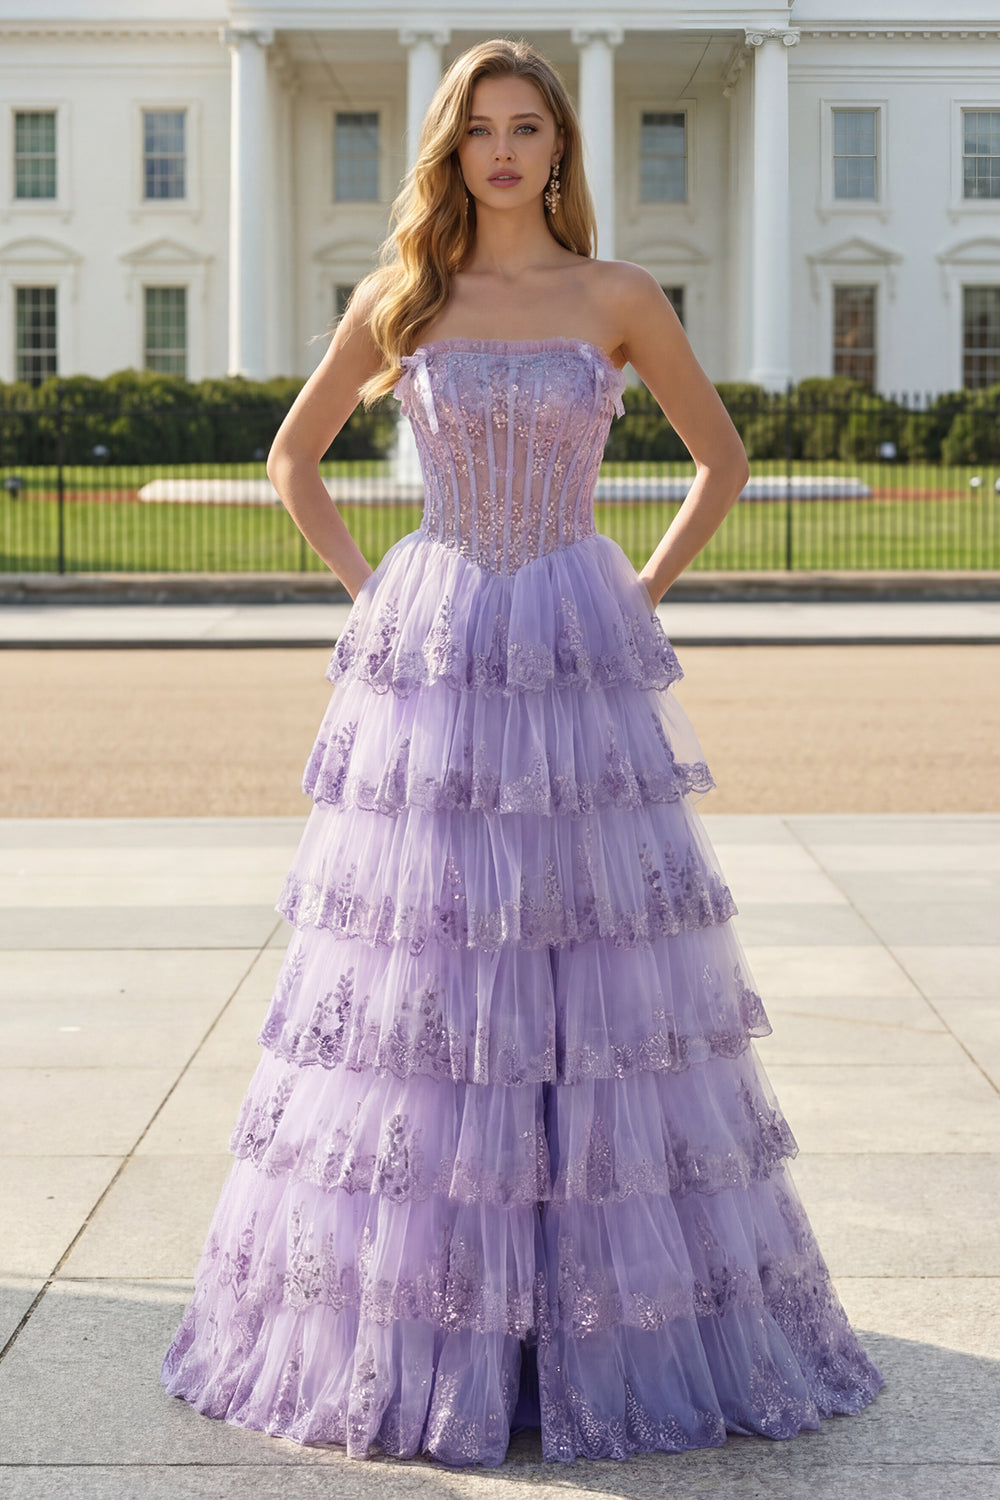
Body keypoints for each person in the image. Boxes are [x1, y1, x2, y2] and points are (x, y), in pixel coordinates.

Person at [162, 37, 883, 1466]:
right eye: (481, 129)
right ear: (453, 148)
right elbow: (293, 458)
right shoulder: (405, 296)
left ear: (561, 148)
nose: (503, 151)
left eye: (527, 128)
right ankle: (442, 1333)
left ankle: (586, 1327)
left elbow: (723, 461)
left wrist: (635, 593)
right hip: (439, 656)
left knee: (594, 970)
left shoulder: (618, 296)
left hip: (571, 644)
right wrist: (378, 595)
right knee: (433, 974)